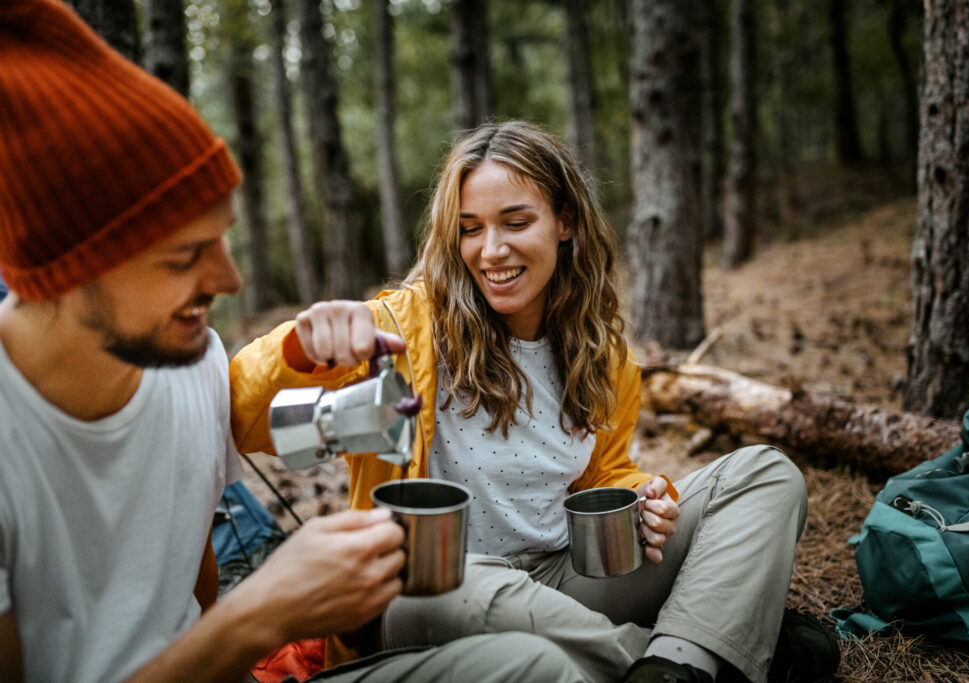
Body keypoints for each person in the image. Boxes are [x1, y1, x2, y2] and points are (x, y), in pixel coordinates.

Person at [0, 4, 584, 682]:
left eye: (223, 237)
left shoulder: (188, 366)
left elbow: (193, 594)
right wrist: (261, 614)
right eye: (185, 254)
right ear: (70, 271)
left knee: (531, 666)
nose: (228, 277)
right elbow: (258, 417)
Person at [231, 121, 841, 682]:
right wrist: (299, 349)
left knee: (765, 473)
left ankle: (674, 664)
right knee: (454, 581)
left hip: (562, 579)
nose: (490, 250)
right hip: (428, 595)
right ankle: (685, 655)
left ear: (566, 221)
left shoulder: (599, 355)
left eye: (515, 222)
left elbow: (603, 476)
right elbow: (244, 422)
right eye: (470, 228)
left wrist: (645, 499)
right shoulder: (399, 332)